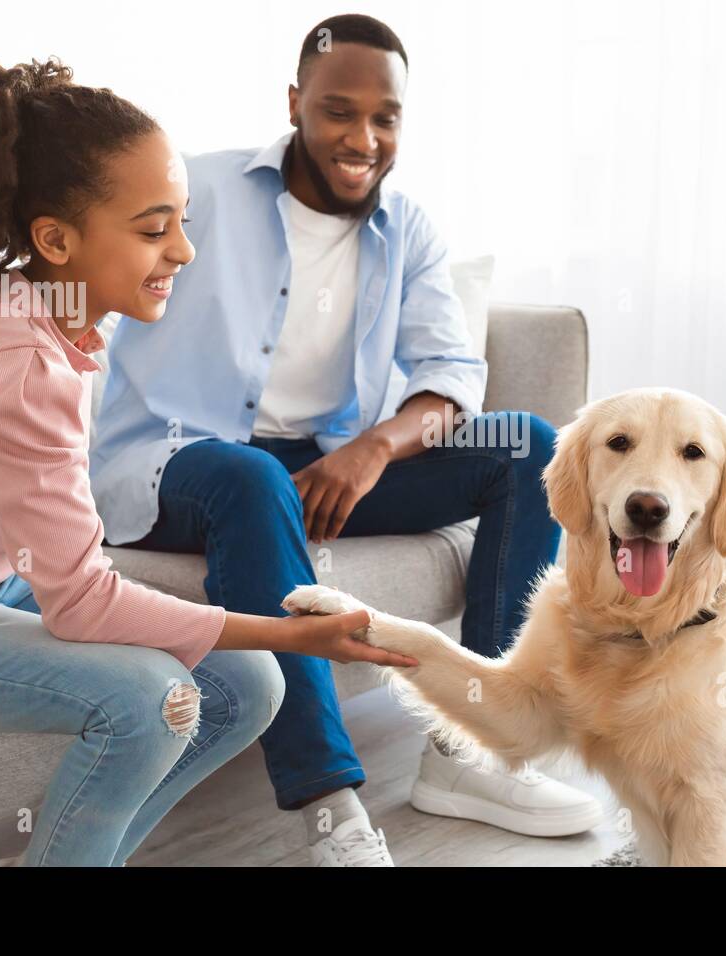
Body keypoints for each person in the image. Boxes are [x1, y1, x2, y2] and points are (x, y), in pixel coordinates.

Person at [0, 58, 409, 868]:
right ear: (55, 239)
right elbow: (83, 606)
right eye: (151, 229)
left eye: (183, 221)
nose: (184, 251)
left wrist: (272, 649)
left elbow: (67, 572)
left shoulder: (51, 321)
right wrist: (292, 632)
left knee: (251, 687)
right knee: (153, 700)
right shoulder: (16, 367)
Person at [91, 15, 603, 867]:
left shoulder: (410, 230)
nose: (362, 138)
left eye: (385, 118)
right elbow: (94, 265)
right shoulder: (200, 192)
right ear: (295, 104)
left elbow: (450, 376)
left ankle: (469, 751)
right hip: (175, 465)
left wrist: (374, 449)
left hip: (321, 465)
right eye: (338, 111)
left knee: (530, 446)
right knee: (248, 477)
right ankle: (328, 802)